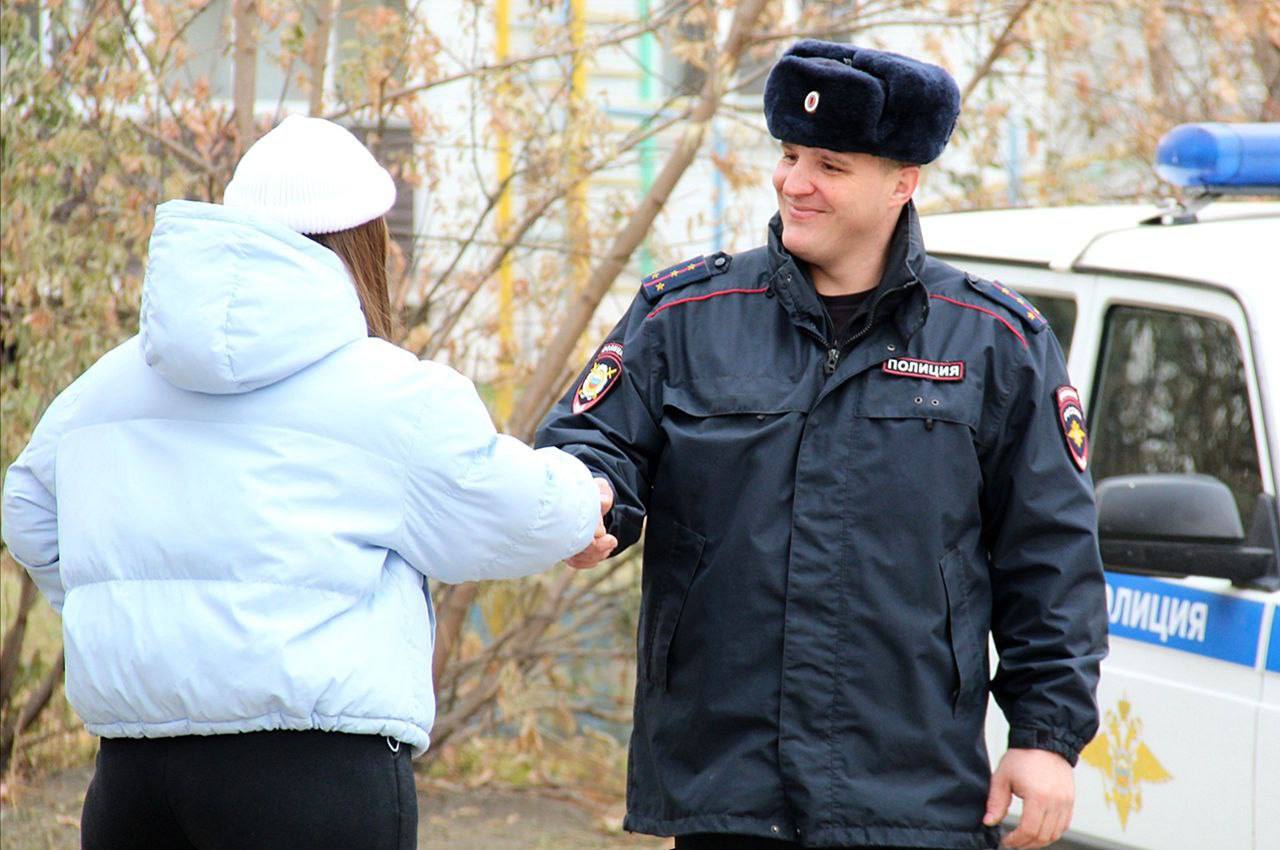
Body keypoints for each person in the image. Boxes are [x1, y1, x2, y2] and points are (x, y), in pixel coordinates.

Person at [537, 40, 1108, 850]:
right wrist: (586, 502)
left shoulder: (994, 341)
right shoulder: (685, 315)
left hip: (911, 795)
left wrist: (1046, 737)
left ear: (902, 182)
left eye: (831, 166)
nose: (793, 182)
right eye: (790, 154)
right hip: (726, 788)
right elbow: (593, 443)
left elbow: (1049, 555)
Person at [1, 115, 609, 850]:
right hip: (314, 776)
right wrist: (587, 500)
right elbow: (502, 505)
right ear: (367, 242)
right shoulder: (384, 390)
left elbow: (28, 506)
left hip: (134, 780)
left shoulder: (109, 385)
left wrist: (124, 603)